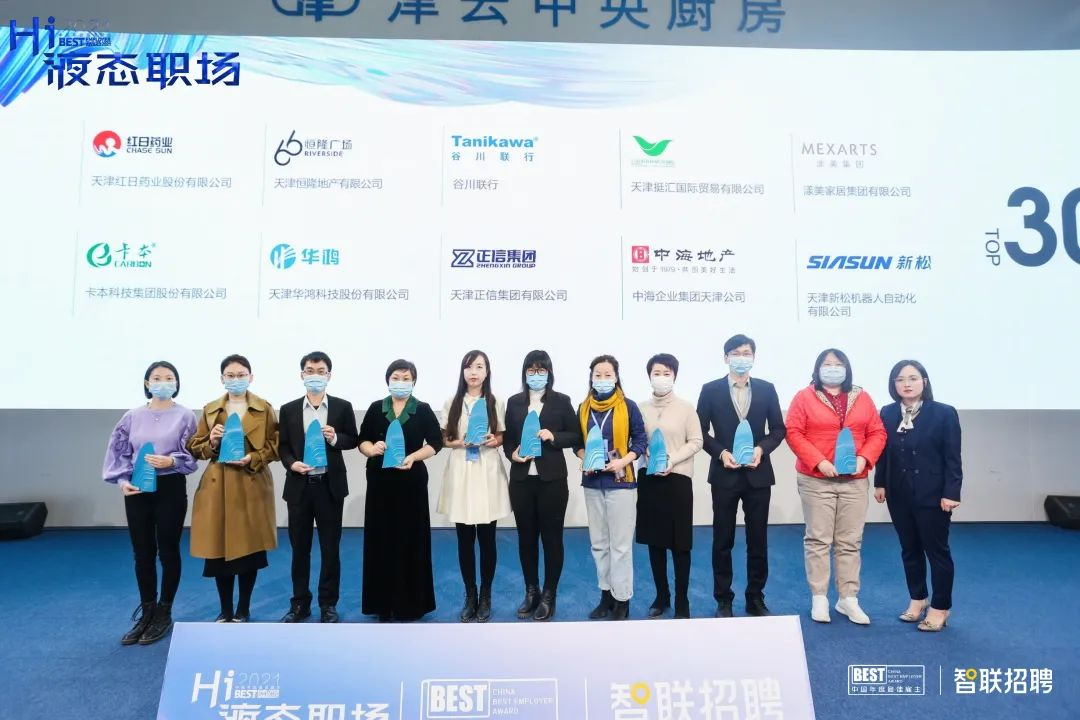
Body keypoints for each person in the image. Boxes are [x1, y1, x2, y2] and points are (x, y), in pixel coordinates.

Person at [785, 348, 886, 625]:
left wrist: (864, 459)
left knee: (850, 541)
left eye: (838, 363)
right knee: (818, 539)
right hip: (816, 479)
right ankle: (819, 597)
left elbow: (877, 432)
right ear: (817, 369)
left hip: (854, 481)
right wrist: (819, 461)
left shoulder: (862, 397)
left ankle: (848, 598)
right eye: (827, 364)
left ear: (847, 368)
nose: (832, 368)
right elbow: (794, 432)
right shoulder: (804, 397)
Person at [102, 361, 197, 645]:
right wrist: (122, 481)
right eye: (157, 378)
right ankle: (147, 611)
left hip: (170, 486)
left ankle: (164, 612)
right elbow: (118, 451)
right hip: (138, 488)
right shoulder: (132, 416)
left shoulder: (186, 416)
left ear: (176, 383)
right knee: (142, 553)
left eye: (169, 378)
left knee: (168, 550)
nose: (163, 382)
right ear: (147, 383)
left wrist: (172, 461)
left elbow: (192, 454)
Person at [696, 334, 786, 618]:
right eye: (736, 353)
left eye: (747, 353)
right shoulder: (710, 390)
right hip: (725, 474)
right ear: (726, 358)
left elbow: (778, 430)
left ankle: (755, 597)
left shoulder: (767, 389)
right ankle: (723, 599)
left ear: (754, 357)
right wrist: (721, 452)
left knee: (757, 540)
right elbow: (699, 432)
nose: (741, 358)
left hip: (758, 475)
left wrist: (761, 449)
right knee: (722, 540)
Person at [188, 354, 279, 622]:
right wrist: (212, 442)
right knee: (219, 552)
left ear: (251, 377)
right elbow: (195, 447)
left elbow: (275, 445)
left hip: (251, 482)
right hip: (218, 486)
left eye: (241, 375)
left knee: (250, 551)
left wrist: (254, 457)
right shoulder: (210, 410)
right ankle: (225, 609)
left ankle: (243, 608)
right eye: (230, 375)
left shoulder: (264, 408)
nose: (236, 379)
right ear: (222, 379)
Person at [875, 360, 962, 632]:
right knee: (909, 549)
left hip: (933, 494)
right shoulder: (887, 412)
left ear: (924, 381)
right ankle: (918, 598)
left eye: (913, 378)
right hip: (898, 493)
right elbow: (883, 452)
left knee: (936, 551)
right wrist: (880, 483)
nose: (907, 384)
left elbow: (953, 457)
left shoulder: (944, 413)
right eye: (900, 379)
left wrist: (951, 492)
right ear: (893, 385)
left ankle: (940, 606)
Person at [358, 359, 444, 622]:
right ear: (388, 380)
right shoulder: (376, 408)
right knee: (380, 540)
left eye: (406, 378)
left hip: (411, 483)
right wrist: (371, 449)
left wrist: (414, 456)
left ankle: (410, 605)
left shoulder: (423, 409)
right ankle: (382, 605)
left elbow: (436, 443)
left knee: (411, 540)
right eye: (396, 377)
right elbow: (362, 440)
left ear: (414, 381)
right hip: (380, 484)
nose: (401, 382)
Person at [277, 351, 358, 624]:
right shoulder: (288, 409)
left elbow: (353, 439)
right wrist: (292, 463)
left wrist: (335, 439)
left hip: (329, 487)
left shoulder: (342, 407)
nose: (315, 376)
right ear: (302, 375)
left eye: (320, 371)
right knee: (299, 549)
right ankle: (300, 603)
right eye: (310, 371)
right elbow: (283, 446)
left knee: (330, 549)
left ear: (329, 375)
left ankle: (328, 604)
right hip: (299, 487)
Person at [502, 350, 582, 621]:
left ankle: (549, 595)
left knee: (551, 538)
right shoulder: (514, 402)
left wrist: (553, 436)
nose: (536, 375)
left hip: (552, 481)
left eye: (541, 370)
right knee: (526, 538)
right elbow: (508, 440)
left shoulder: (561, 401)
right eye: (531, 370)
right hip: (522, 480)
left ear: (549, 373)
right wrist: (513, 454)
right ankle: (531, 591)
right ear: (525, 373)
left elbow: (575, 435)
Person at [438, 350, 510, 623]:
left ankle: (486, 595)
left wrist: (493, 440)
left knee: (487, 537)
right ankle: (470, 594)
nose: (474, 372)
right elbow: (444, 439)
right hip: (461, 470)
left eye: (479, 366)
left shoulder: (495, 401)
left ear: (487, 371)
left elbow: (501, 436)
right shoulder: (452, 402)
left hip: (486, 469)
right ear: (463, 371)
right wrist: (460, 442)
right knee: (464, 538)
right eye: (469, 367)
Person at [576, 355, 647, 621]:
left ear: (616, 377)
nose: (603, 379)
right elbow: (577, 444)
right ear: (591, 377)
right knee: (599, 544)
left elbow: (640, 441)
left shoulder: (628, 406)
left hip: (621, 481)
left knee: (620, 545)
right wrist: (586, 459)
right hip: (593, 482)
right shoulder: (583, 408)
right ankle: (605, 595)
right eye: (598, 375)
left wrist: (622, 461)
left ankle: (622, 600)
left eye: (608, 375)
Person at [637, 353, 703, 619]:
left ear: (674, 376)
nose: (661, 377)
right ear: (649, 376)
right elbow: (635, 439)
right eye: (657, 373)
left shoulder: (686, 408)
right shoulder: (640, 408)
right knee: (655, 542)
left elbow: (696, 441)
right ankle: (661, 596)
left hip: (677, 479)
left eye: (667, 373)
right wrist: (643, 452)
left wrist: (671, 459)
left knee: (680, 543)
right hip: (650, 479)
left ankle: (682, 600)